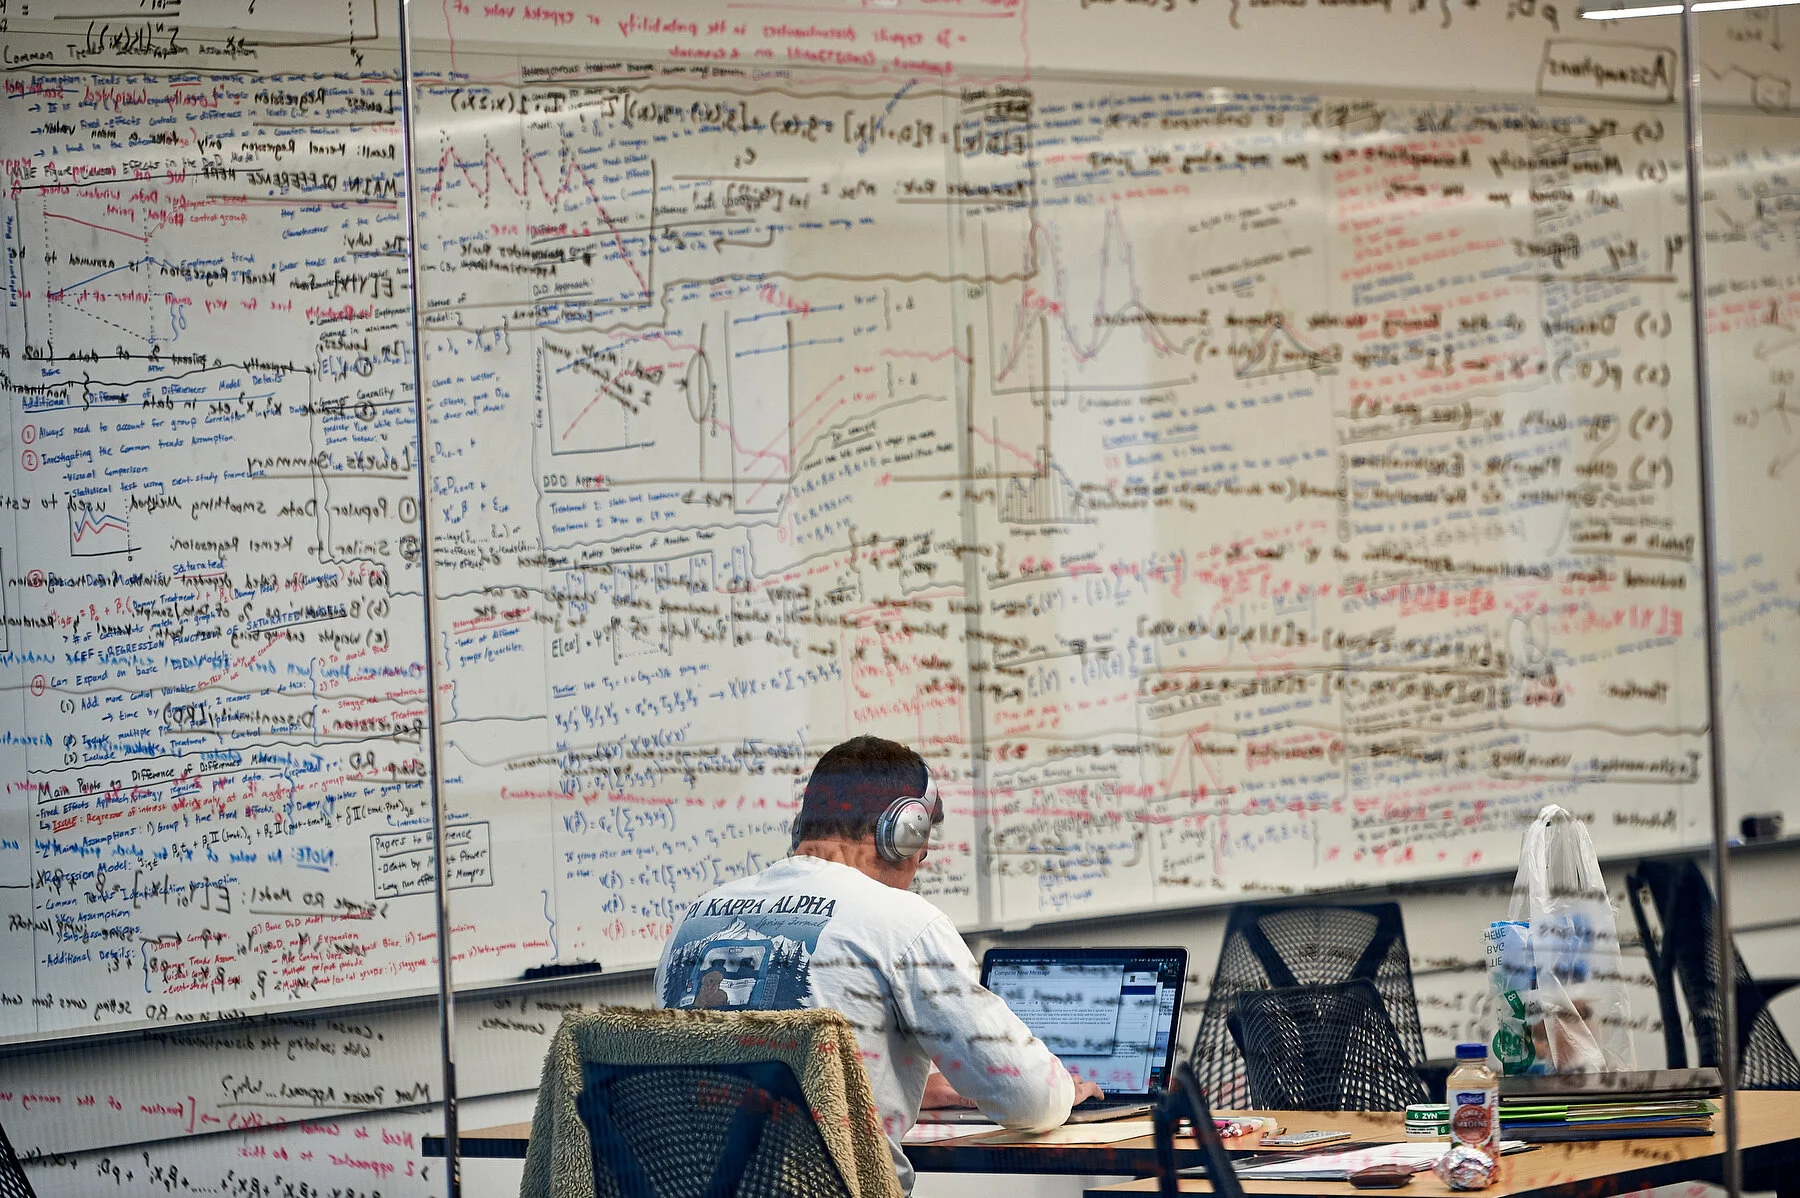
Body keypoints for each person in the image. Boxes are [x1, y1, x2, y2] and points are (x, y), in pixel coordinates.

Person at [654, 735, 1103, 1191]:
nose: (917, 865)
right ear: (902, 833)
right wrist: (1064, 1089)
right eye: (921, 852)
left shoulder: (695, 920)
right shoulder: (903, 922)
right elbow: (1029, 1096)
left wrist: (896, 1087)